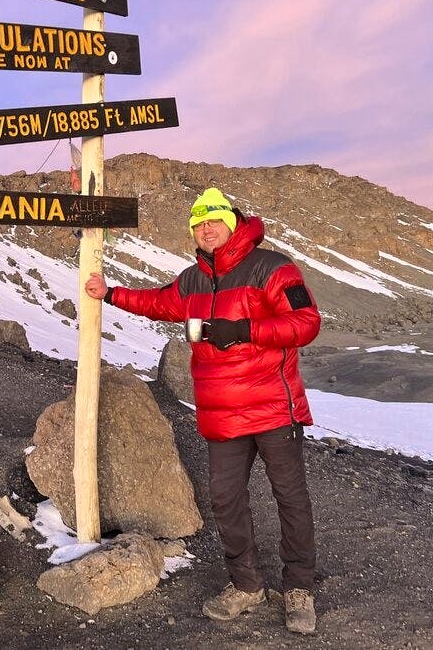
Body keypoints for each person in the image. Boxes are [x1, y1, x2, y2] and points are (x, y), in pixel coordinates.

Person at [84, 187, 322, 635]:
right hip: (221, 413)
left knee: (290, 499)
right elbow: (158, 302)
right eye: (198, 223)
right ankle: (246, 585)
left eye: (213, 220)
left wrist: (244, 328)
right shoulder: (193, 279)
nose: (205, 228)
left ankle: (298, 589)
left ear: (231, 225)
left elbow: (306, 323)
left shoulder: (271, 268)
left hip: (273, 407)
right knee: (225, 500)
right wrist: (110, 293)